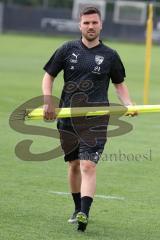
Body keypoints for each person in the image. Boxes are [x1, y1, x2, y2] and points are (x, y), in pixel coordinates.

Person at [42, 6, 137, 232]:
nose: (90, 27)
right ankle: (77, 209)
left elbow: (119, 84)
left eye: (94, 23)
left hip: (96, 118)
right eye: (86, 23)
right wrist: (48, 101)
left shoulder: (110, 55)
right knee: (74, 164)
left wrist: (129, 104)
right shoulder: (67, 49)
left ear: (101, 24)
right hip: (68, 117)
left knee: (87, 165)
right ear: (80, 25)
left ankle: (85, 212)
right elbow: (49, 76)